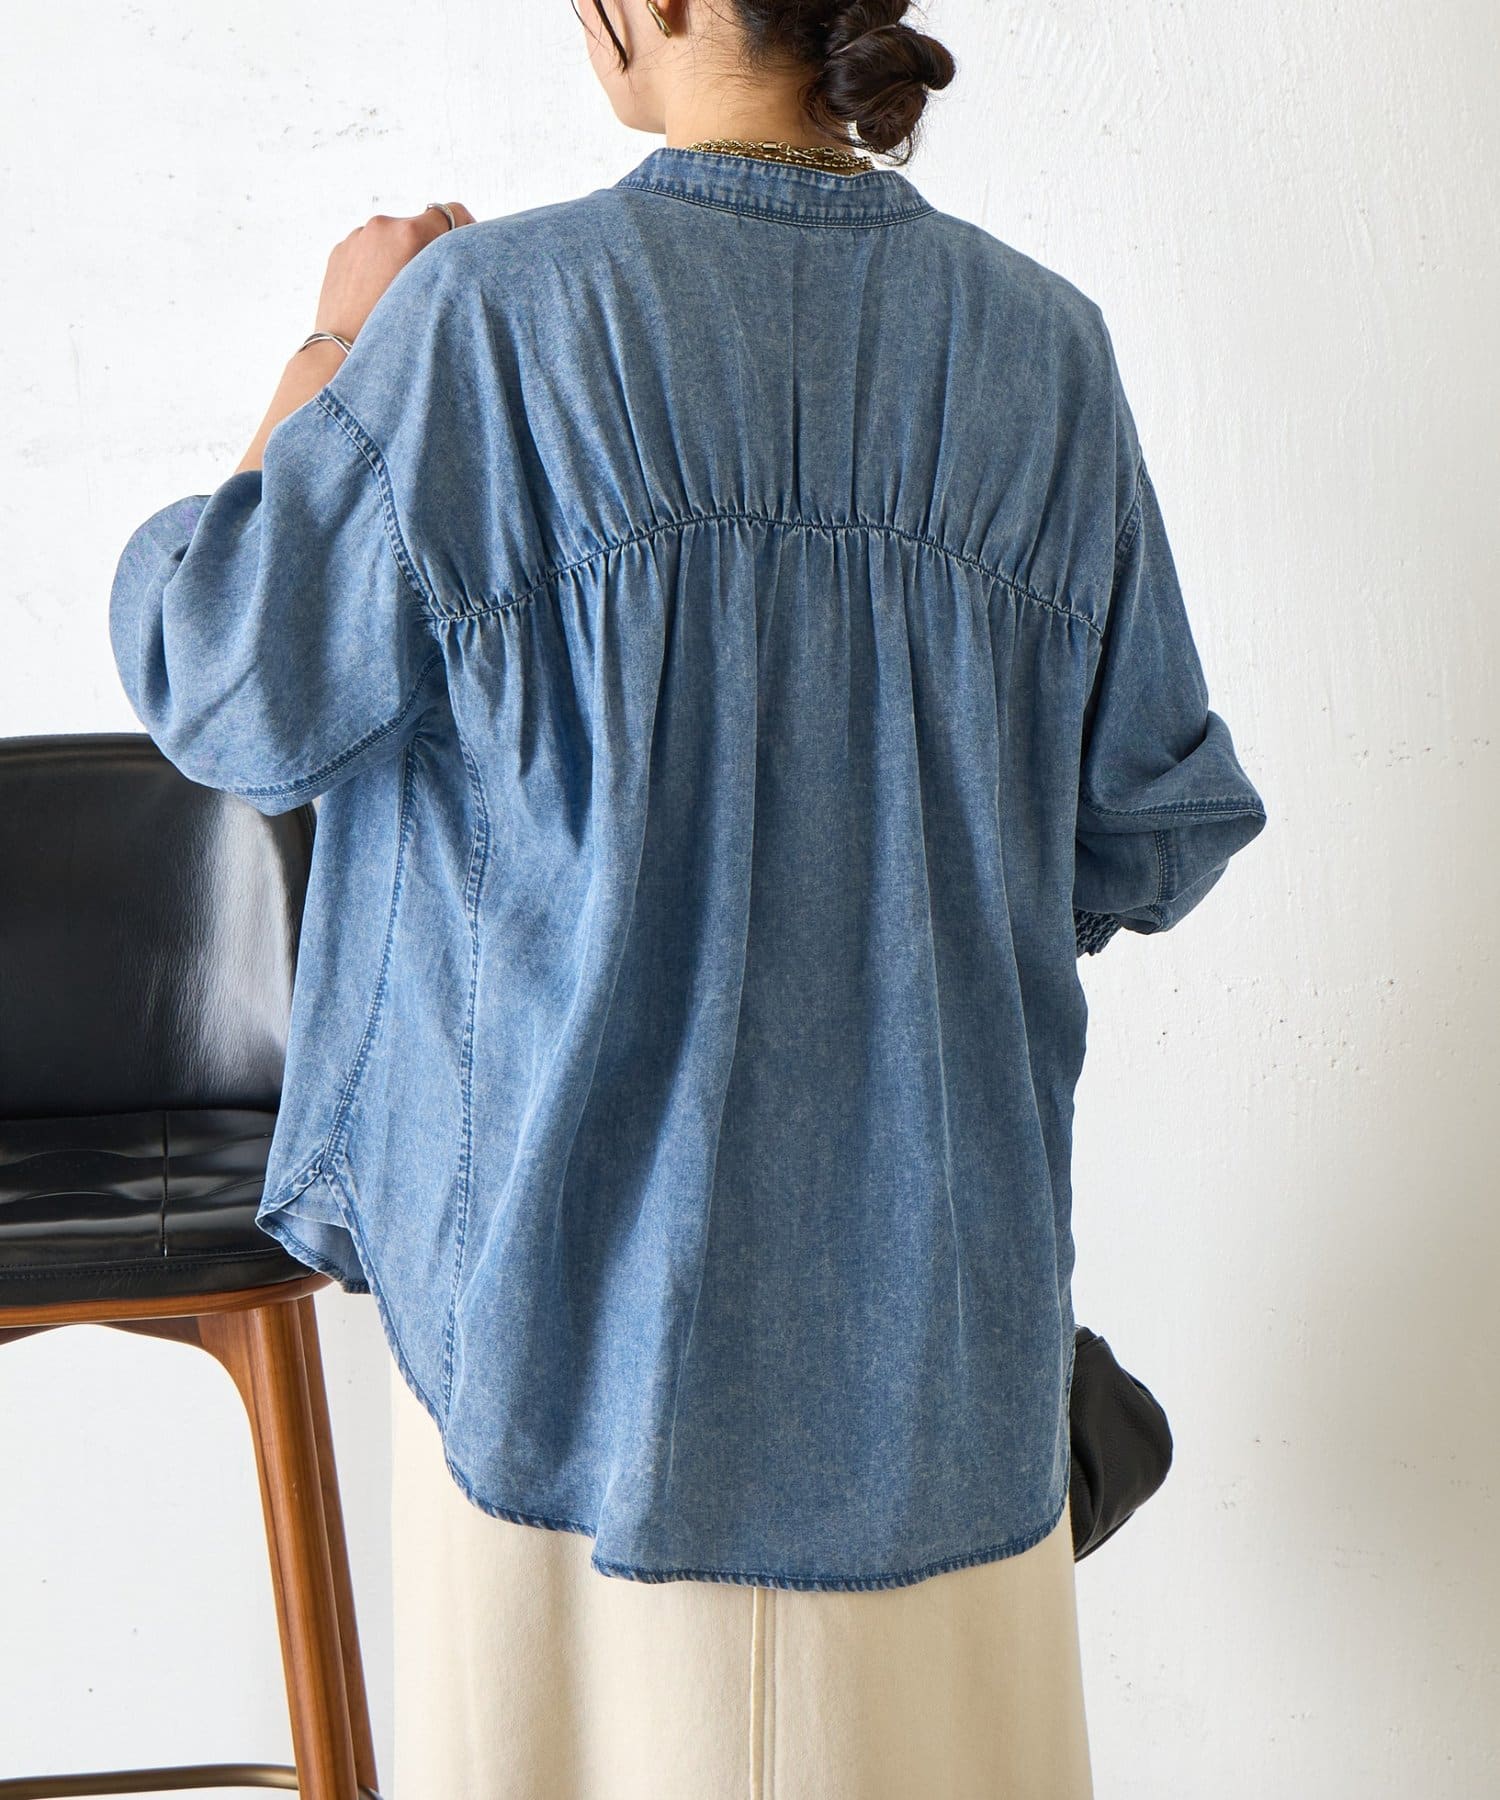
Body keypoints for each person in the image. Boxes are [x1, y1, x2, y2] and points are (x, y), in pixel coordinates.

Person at [108, 0, 1269, 1792]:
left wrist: (341, 335)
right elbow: (1144, 830)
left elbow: (226, 680)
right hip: (935, 1341)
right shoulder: (1044, 350)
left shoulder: (483, 323)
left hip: (554, 1331)